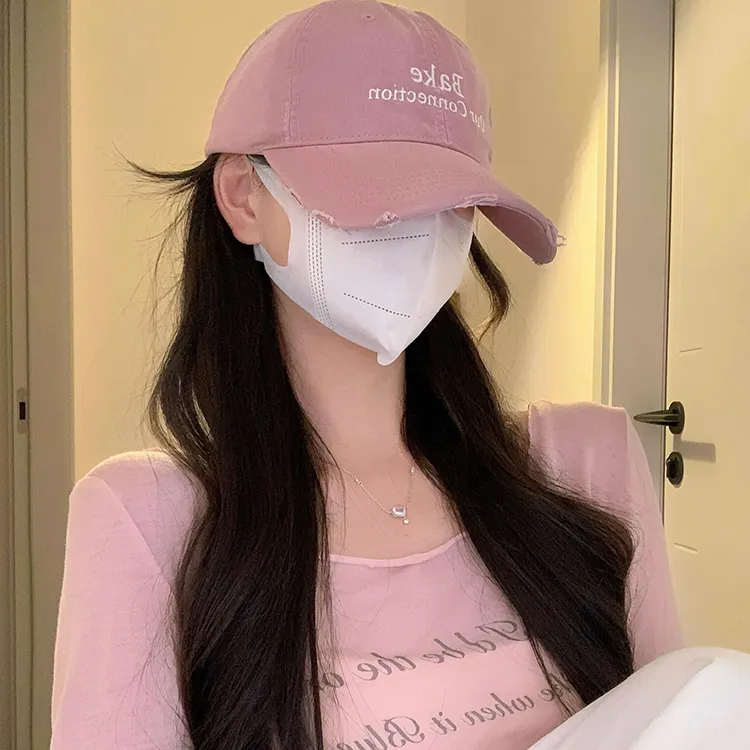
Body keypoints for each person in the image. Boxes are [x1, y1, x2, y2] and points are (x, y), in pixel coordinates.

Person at [50, 2, 682, 749]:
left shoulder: (585, 460)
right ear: (244, 196)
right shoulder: (147, 519)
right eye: (371, 188)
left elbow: (679, 724)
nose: (416, 228)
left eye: (448, 198)